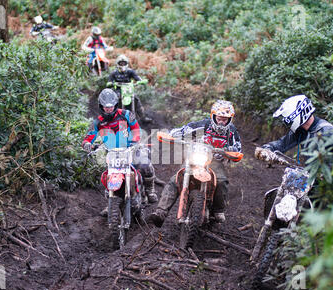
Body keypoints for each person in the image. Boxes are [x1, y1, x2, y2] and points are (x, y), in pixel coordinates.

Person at [148, 100, 242, 228]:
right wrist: (170, 135)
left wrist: (231, 152)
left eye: (225, 120)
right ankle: (161, 212)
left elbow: (238, 148)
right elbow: (183, 130)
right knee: (175, 179)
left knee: (221, 181)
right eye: (219, 118)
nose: (221, 122)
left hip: (214, 161)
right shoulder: (202, 125)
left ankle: (218, 210)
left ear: (230, 119)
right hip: (195, 156)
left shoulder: (231, 132)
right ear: (213, 116)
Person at [82, 88, 158, 206]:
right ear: (101, 106)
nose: (108, 108)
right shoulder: (98, 122)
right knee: (106, 174)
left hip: (130, 148)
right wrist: (87, 144)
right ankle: (111, 203)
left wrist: (134, 140)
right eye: (105, 106)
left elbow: (136, 129)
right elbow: (89, 136)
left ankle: (150, 190)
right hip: (111, 153)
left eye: (111, 106)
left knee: (145, 164)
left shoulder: (126, 114)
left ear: (115, 104)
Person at [255, 94, 333, 163]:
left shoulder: (327, 131)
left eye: (289, 120)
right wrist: (265, 149)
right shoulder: (301, 131)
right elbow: (281, 144)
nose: (288, 123)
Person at [107, 55, 152, 123]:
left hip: (128, 90)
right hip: (118, 90)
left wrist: (140, 81)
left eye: (124, 63)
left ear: (126, 63)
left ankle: (143, 117)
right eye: (121, 63)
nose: (122, 65)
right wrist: (111, 84)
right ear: (118, 64)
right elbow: (109, 82)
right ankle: (111, 118)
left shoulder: (130, 71)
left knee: (136, 99)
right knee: (114, 100)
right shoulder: (114, 73)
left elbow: (137, 78)